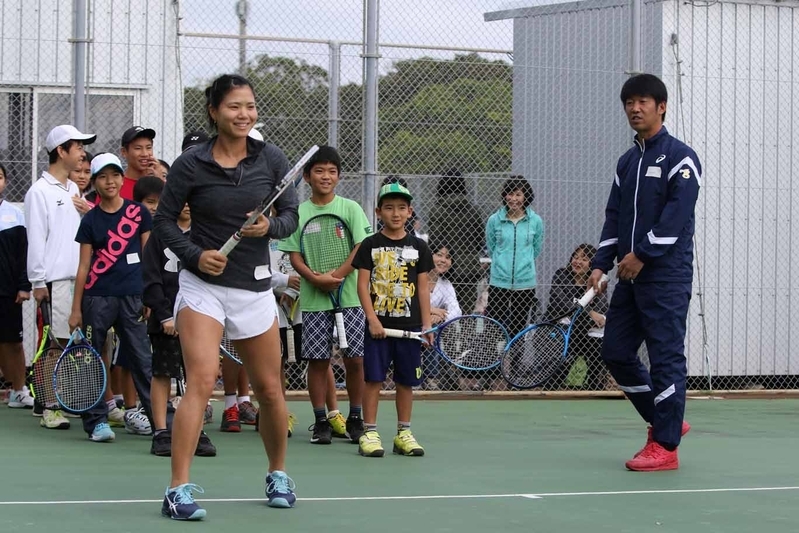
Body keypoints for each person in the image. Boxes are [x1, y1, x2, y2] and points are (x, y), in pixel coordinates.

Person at [153, 73, 299, 519]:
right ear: (214, 112)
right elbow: (161, 223)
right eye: (234, 106)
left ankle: (277, 472)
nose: (244, 114)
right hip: (203, 288)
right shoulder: (190, 164)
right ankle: (177, 489)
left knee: (270, 391)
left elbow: (291, 216)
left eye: (250, 106)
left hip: (254, 289)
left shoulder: (272, 159)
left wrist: (268, 227)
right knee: (200, 379)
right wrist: (197, 256)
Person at [588, 73, 701, 472]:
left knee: (665, 358)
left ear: (661, 106)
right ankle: (664, 413)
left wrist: (641, 254)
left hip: (665, 277)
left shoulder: (681, 158)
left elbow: (675, 218)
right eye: (629, 103)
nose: (635, 109)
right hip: (630, 276)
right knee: (616, 352)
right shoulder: (628, 161)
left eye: (643, 102)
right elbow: (614, 216)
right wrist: (601, 263)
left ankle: (666, 444)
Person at [279, 145, 369, 445]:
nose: (326, 176)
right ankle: (320, 421)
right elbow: (294, 256)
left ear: (339, 176)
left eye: (332, 171)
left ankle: (355, 418)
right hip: (314, 301)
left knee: (355, 360)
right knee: (318, 362)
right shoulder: (299, 213)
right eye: (319, 171)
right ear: (307, 177)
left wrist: (337, 276)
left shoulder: (351, 209)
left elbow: (361, 248)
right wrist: (315, 278)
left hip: (351, 300)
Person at [68, 153, 156, 443]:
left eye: (115, 175)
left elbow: (147, 257)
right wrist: (76, 309)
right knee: (93, 360)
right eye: (103, 177)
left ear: (122, 178)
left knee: (142, 360)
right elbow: (83, 266)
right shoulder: (90, 220)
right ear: (95, 182)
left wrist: (149, 295)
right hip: (97, 299)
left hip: (132, 298)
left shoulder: (138, 213)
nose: (110, 181)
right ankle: (96, 423)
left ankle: (159, 422)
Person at [352, 182, 434, 458]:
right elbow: (362, 286)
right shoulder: (370, 245)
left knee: (406, 382)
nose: (395, 213)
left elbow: (423, 288)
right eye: (389, 208)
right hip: (377, 329)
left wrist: (426, 324)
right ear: (378, 212)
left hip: (410, 329)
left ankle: (404, 433)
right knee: (373, 380)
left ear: (410, 211)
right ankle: (370, 432)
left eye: (401, 208)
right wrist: (372, 320)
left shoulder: (420, 248)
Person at [25, 124, 96, 429]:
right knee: (52, 344)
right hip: (53, 281)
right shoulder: (38, 192)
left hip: (77, 279)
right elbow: (37, 239)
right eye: (77, 146)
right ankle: (48, 406)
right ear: (61, 151)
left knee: (68, 341)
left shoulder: (74, 189)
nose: (82, 152)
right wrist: (38, 282)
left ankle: (57, 401)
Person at [143, 196, 216, 458]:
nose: (187, 204)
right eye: (181, 199)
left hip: (198, 319)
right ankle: (161, 431)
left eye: (191, 200)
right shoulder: (160, 236)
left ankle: (195, 430)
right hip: (166, 321)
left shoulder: (205, 236)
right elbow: (150, 278)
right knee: (163, 373)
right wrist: (165, 316)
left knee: (197, 376)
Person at [484, 177, 544, 338]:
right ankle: (496, 362)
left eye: (518, 194)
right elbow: (492, 246)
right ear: (505, 196)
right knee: (495, 328)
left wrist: (524, 264)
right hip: (499, 281)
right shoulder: (494, 220)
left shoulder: (536, 221)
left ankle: (516, 362)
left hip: (525, 283)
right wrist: (501, 263)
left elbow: (536, 248)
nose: (513, 199)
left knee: (518, 329)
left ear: (525, 197)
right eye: (510, 194)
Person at [545, 244, 608, 390]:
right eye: (576, 257)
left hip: (585, 329)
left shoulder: (597, 282)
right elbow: (559, 303)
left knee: (599, 340)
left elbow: (602, 308)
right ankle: (554, 382)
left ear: (591, 264)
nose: (577, 262)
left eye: (584, 259)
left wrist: (591, 314)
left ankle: (594, 384)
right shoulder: (561, 275)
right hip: (562, 328)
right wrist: (590, 313)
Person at [0, 163, 34, 408]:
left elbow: (23, 254)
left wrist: (24, 286)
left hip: (7, 291)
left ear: (5, 181)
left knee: (12, 342)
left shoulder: (15, 215)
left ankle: (18, 391)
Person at [423, 242, 461, 390]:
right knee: (431, 327)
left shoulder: (445, 284)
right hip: (409, 321)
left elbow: (456, 311)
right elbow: (408, 304)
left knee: (436, 328)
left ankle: (434, 377)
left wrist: (441, 316)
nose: (443, 260)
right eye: (439, 255)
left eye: (448, 257)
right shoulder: (415, 276)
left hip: (431, 326)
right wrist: (430, 311)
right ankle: (430, 377)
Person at [119, 126, 157, 200]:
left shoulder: (161, 184)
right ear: (124, 152)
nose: (145, 154)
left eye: (149, 148)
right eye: (138, 148)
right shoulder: (115, 187)